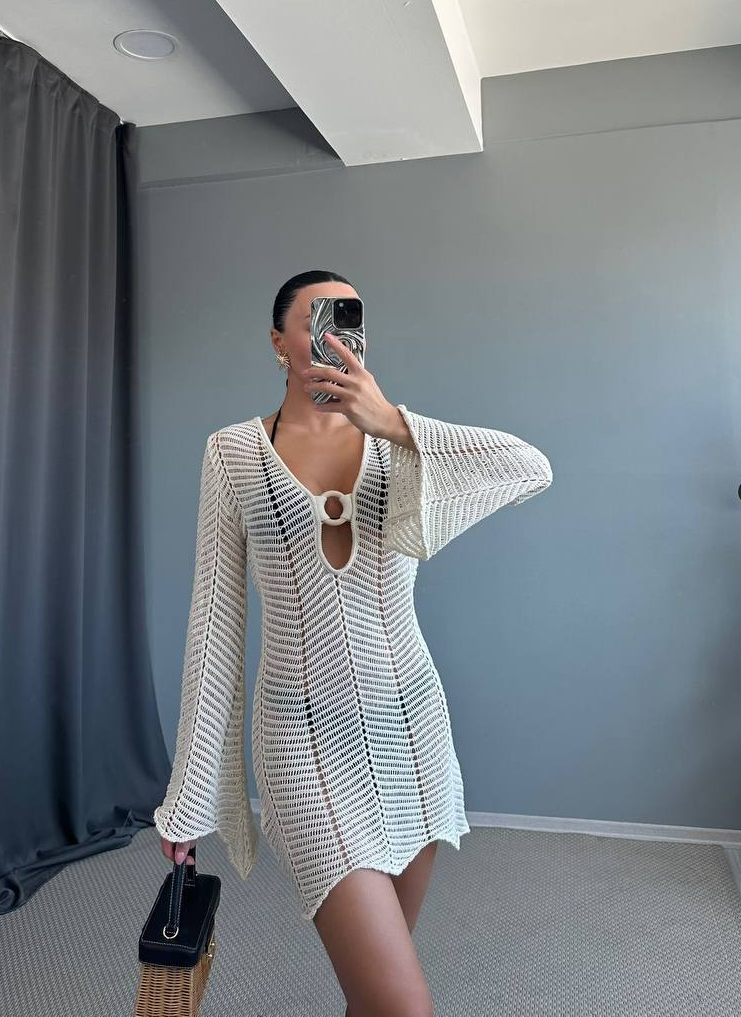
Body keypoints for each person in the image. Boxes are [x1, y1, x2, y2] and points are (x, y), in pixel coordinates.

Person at [155, 269, 553, 1016]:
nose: (334, 338)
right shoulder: (233, 454)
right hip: (302, 743)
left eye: (348, 321)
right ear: (279, 342)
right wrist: (191, 795)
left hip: (412, 733)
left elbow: (530, 467)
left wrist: (394, 423)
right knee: (403, 1005)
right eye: (317, 321)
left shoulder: (401, 443)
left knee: (373, 995)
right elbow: (214, 628)